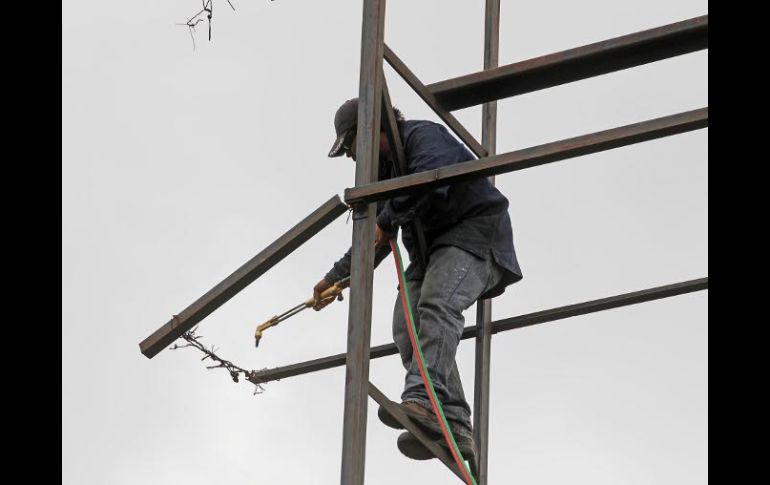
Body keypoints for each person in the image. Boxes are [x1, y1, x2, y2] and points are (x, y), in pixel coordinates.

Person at [313, 98, 523, 463]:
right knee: (406, 326)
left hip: (474, 234)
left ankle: (424, 400)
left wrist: (387, 216)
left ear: (373, 129)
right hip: (432, 252)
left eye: (351, 147)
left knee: (437, 305)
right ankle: (453, 422)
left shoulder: (421, 137)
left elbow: (429, 184)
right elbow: (377, 237)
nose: (352, 158)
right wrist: (335, 279)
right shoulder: (386, 176)